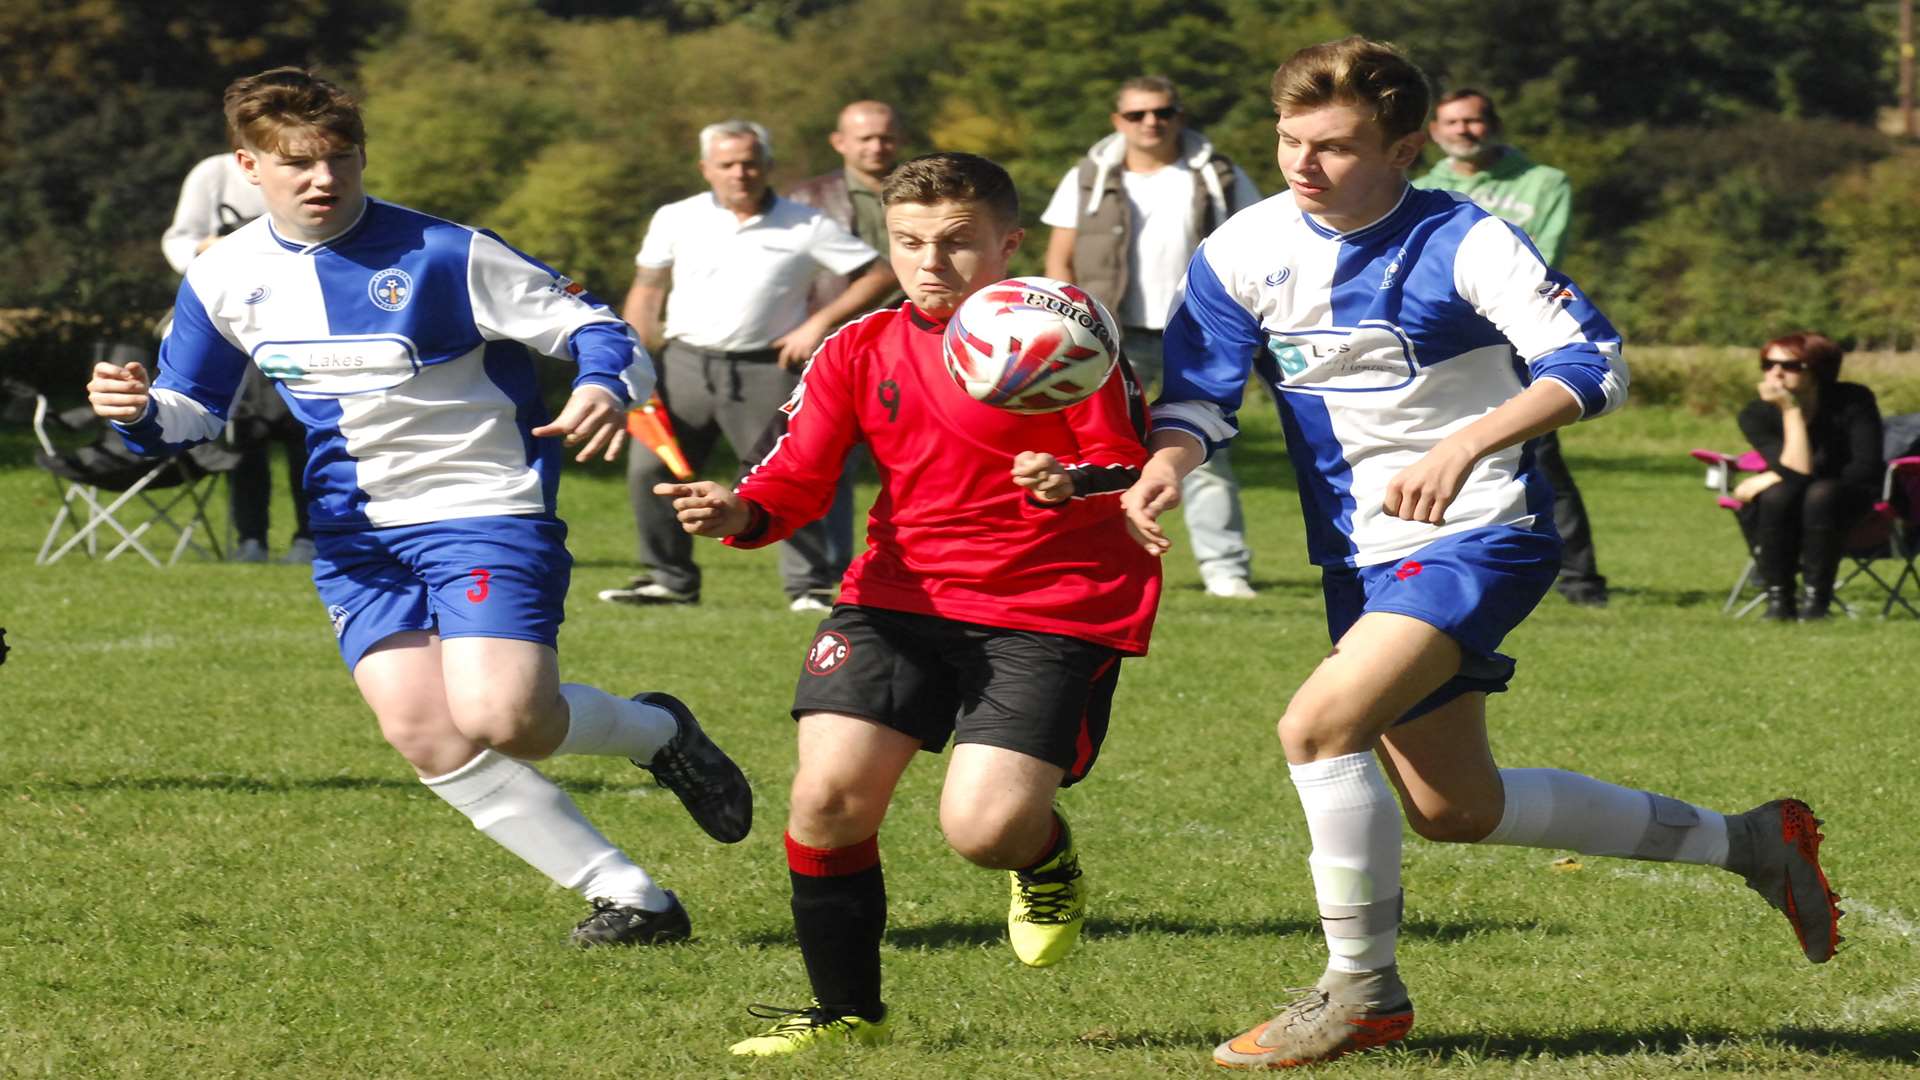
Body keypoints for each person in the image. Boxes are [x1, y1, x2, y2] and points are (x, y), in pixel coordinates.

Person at [1120, 37, 1841, 1069]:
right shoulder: (1243, 247)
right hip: (1359, 557)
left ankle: (1361, 994)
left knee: (1319, 730)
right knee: (1456, 809)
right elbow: (1197, 396)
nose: (1302, 165)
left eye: (1333, 147)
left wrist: (1467, 442)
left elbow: (1594, 365)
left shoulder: (1467, 241)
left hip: (1478, 534)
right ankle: (1754, 842)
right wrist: (1171, 461)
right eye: (1288, 140)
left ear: (1407, 148)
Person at [87, 67, 752, 947]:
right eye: (296, 163)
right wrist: (136, 412)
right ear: (246, 168)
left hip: (482, 505)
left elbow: (602, 329)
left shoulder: (445, 252)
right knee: (422, 729)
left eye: (340, 158)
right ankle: (634, 899)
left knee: (506, 719)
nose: (323, 179)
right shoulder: (222, 275)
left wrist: (600, 384)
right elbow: (193, 409)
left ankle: (658, 732)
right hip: (354, 532)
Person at [652, 152, 1162, 1056]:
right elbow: (797, 472)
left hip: (1049, 604)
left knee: (985, 829)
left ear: (1008, 244)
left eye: (959, 243)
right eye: (910, 243)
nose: (932, 263)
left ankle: (1041, 857)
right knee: (826, 798)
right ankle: (846, 1010)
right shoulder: (859, 345)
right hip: (897, 594)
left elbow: (1129, 460)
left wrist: (1068, 479)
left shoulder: (1068, 334)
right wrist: (741, 509)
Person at [601, 120, 898, 614]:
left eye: (750, 162)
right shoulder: (676, 217)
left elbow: (880, 272)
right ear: (706, 169)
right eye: (728, 164)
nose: (740, 173)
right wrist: (632, 350)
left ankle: (811, 586)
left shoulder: (807, 223)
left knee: (790, 472)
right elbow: (649, 285)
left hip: (767, 366)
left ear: (767, 166)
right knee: (649, 469)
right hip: (683, 364)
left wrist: (817, 324)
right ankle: (669, 580)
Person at [1042, 76, 1265, 600]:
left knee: (1205, 447)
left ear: (1179, 116)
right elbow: (1060, 255)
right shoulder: (1089, 174)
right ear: (1117, 121)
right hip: (1108, 335)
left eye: (1162, 112)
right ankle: (1101, 560)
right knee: (1103, 450)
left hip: (1200, 331)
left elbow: (1256, 240)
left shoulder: (1218, 173)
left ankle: (1224, 568)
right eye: (1138, 114)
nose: (1151, 122)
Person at [1412, 88, 1607, 607]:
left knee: (1540, 455)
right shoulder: (1422, 187)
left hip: (1521, 337)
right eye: (1451, 123)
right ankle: (1445, 561)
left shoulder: (1543, 182)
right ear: (1433, 133)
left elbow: (1542, 255)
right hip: (1447, 346)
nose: (1463, 131)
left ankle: (1580, 579)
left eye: (1473, 121)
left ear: (1493, 125)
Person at [778, 100, 910, 590]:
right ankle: (826, 573)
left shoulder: (929, 191)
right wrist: (809, 326)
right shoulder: (805, 200)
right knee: (825, 457)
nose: (877, 146)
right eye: (865, 138)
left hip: (919, 338)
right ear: (840, 142)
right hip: (838, 343)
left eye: (886, 137)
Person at [162, 151, 313, 564]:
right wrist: (209, 246)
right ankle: (251, 540)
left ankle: (309, 537)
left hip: (301, 329)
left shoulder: (317, 171)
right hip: (234, 329)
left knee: (306, 435)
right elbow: (179, 240)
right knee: (244, 437)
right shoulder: (213, 173)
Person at [1735, 332, 1884, 620]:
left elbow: (1865, 467)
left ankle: (1817, 602)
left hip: (1853, 496)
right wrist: (1789, 412)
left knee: (1817, 494)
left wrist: (1769, 476)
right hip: (1794, 497)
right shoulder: (1756, 414)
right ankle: (1779, 600)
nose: (1775, 373)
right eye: (1768, 364)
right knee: (1779, 494)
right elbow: (1792, 471)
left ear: (1818, 370)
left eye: (1790, 366)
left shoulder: (1854, 400)